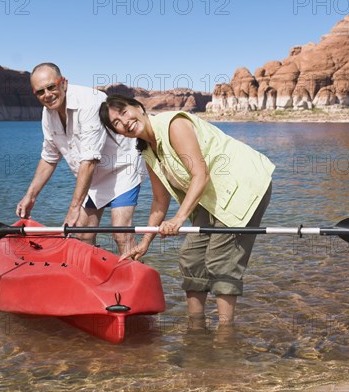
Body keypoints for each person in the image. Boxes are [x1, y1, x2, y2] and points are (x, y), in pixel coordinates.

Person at [99, 94, 275, 329]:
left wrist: (179, 218)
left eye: (123, 112)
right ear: (118, 133)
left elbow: (200, 175)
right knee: (191, 257)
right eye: (116, 124)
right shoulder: (148, 152)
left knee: (221, 262)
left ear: (138, 107)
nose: (124, 122)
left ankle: (225, 334)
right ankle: (196, 327)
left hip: (243, 186)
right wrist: (145, 242)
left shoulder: (174, 125)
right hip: (211, 197)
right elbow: (160, 202)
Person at [16, 64, 143, 254]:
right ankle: (91, 278)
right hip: (92, 178)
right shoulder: (47, 114)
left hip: (122, 170)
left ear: (64, 83)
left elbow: (90, 159)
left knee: (121, 235)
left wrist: (74, 208)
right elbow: (49, 157)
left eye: (51, 87)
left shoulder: (90, 102)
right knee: (82, 234)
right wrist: (30, 196)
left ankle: (136, 279)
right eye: (40, 92)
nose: (47, 94)